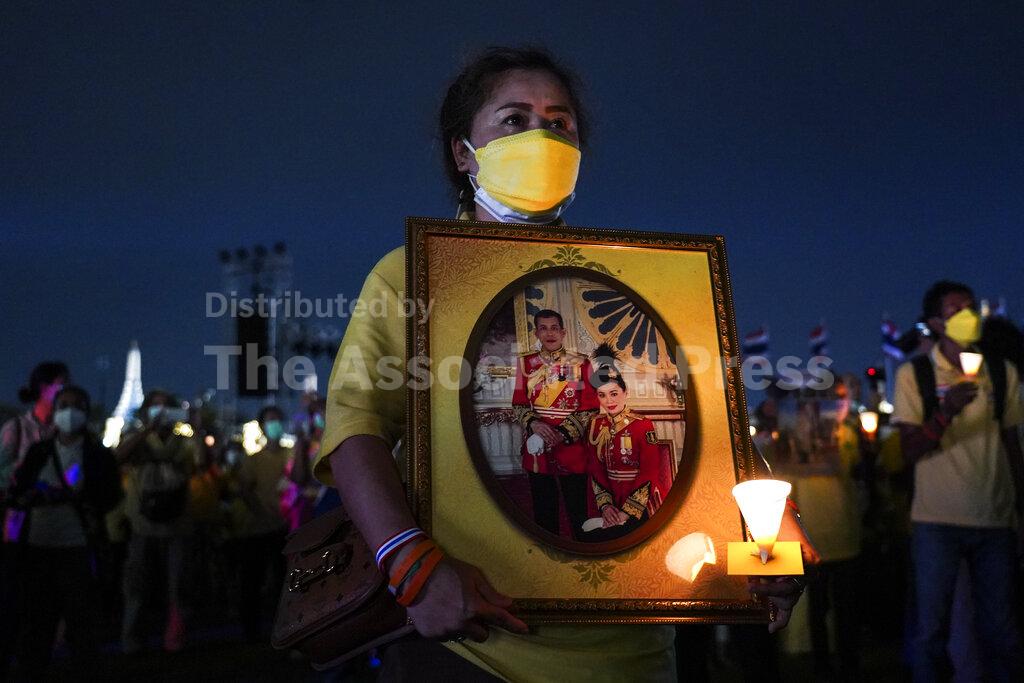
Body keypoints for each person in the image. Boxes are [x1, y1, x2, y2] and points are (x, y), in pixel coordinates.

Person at [314, 47, 814, 681]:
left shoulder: (641, 278)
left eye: (559, 122)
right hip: (473, 650)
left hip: (635, 652)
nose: (542, 137)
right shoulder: (409, 277)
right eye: (515, 120)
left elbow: (709, 421)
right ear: (464, 153)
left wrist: (775, 523)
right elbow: (354, 428)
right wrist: (413, 567)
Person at [893, 280, 1024, 682]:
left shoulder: (1001, 372)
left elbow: (1012, 444)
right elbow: (909, 451)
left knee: (1002, 631)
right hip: (937, 521)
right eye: (956, 310)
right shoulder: (916, 373)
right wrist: (945, 412)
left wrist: (1020, 506)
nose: (968, 316)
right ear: (936, 323)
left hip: (995, 518)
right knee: (931, 631)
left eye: (970, 307)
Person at [8, 386, 122, 680]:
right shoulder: (39, 451)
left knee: (80, 619)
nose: (70, 411)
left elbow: (111, 496)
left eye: (76, 405)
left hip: (77, 545)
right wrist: (37, 495)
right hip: (39, 544)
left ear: (86, 412)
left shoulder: (97, 455)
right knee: (37, 619)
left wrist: (82, 496)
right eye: (64, 405)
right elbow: (18, 489)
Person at [0, 361, 68, 677]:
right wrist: (25, 481)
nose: (64, 391)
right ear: (44, 387)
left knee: (45, 601)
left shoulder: (65, 433)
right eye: (60, 384)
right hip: (20, 526)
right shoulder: (17, 429)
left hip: (57, 527)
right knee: (15, 596)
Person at [115, 390, 196, 654]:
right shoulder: (136, 438)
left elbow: (203, 462)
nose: (160, 411)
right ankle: (132, 639)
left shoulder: (183, 442)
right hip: (142, 523)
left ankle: (176, 637)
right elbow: (117, 458)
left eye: (165, 407)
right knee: (137, 583)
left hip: (178, 522)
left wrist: (197, 428)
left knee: (179, 582)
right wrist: (146, 430)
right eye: (154, 406)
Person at [511, 308, 597, 539]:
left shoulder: (581, 363)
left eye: (554, 328)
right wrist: (535, 425)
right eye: (543, 328)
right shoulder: (525, 364)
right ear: (536, 333)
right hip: (537, 448)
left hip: (572, 448)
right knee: (544, 511)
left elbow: (590, 407)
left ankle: (582, 551)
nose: (550, 333)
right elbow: (518, 404)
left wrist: (561, 434)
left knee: (578, 511)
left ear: (563, 332)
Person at [583, 343, 669, 541]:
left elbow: (649, 471)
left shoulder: (643, 425)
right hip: (609, 497)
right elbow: (595, 469)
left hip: (640, 499)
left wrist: (627, 511)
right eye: (602, 395)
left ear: (625, 393)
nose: (609, 401)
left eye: (614, 393)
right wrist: (606, 506)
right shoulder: (596, 425)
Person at [232, 405, 289, 641]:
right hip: (256, 529)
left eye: (277, 419)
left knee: (281, 579)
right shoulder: (253, 460)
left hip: (284, 527)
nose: (274, 425)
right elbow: (244, 490)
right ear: (263, 427)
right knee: (252, 579)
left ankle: (281, 625)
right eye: (270, 421)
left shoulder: (291, 454)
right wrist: (261, 513)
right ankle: (251, 628)